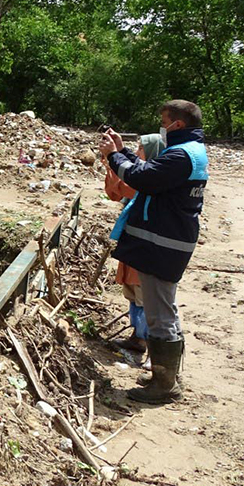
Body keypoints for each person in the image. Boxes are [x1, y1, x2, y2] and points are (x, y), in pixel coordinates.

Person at [99, 100, 207, 404]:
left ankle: (164, 385)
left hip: (164, 244)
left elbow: (142, 179)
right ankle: (167, 375)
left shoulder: (181, 155)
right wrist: (122, 151)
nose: (162, 127)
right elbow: (149, 170)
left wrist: (113, 156)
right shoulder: (187, 152)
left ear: (178, 124)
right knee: (163, 310)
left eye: (164, 121)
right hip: (168, 242)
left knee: (160, 314)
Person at [103, 133, 164, 356]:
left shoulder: (151, 180)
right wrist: (112, 162)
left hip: (144, 248)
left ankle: (151, 345)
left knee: (144, 296)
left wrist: (113, 158)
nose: (136, 152)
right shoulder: (142, 175)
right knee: (133, 292)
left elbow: (121, 189)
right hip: (134, 244)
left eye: (141, 148)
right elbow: (115, 192)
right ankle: (138, 337)